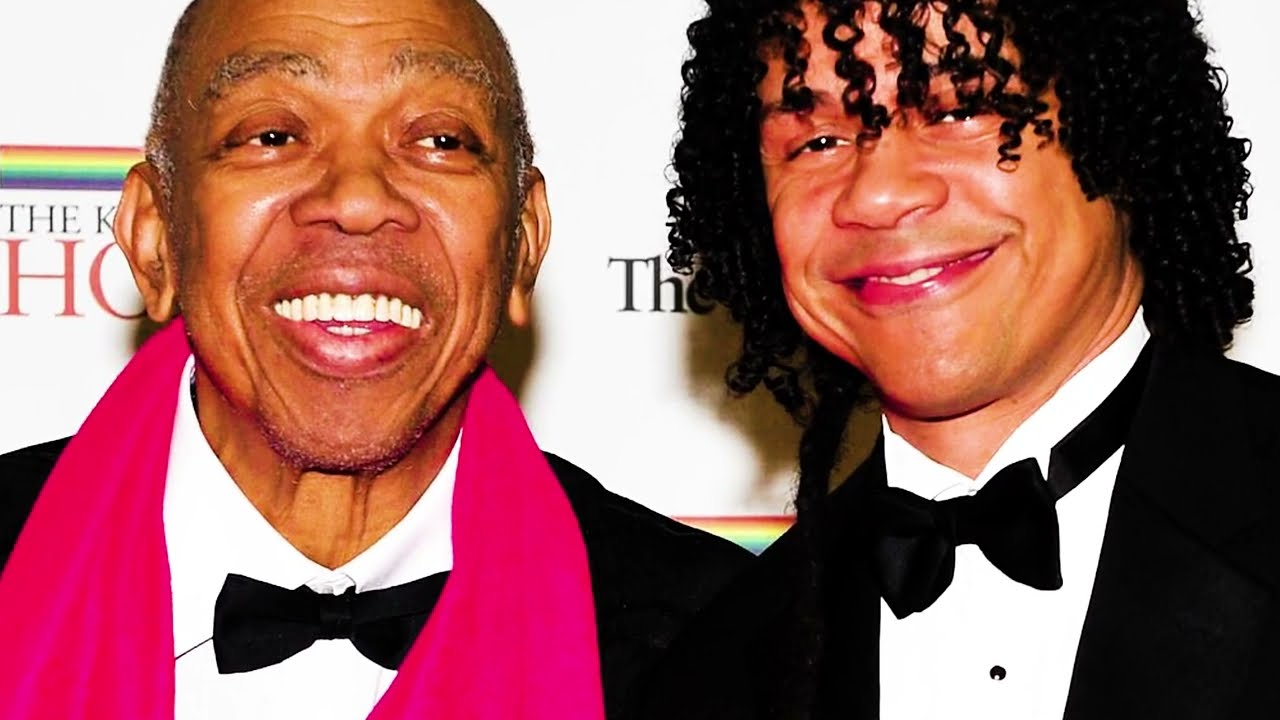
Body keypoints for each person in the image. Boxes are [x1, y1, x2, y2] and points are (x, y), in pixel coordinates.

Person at [0, 1, 749, 718]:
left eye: (441, 140)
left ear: (521, 245)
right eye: (272, 135)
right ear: (154, 237)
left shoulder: (733, 644)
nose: (358, 200)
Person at [631, 0, 1278, 718]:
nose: (878, 194)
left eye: (959, 108)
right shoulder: (709, 675)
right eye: (818, 141)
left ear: (1120, 131)